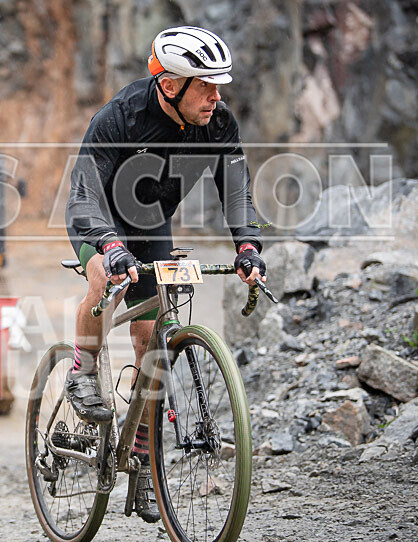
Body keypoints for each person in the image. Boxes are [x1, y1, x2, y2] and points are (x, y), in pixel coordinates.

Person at [64, 26, 266, 523]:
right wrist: (109, 247)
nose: (216, 97)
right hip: (99, 216)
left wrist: (248, 246)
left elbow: (236, 188)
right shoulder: (122, 116)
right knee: (101, 282)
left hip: (152, 220)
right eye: (206, 85)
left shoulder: (217, 123)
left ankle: (144, 459)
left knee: (151, 335)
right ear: (172, 84)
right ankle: (82, 372)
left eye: (219, 86)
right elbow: (85, 190)